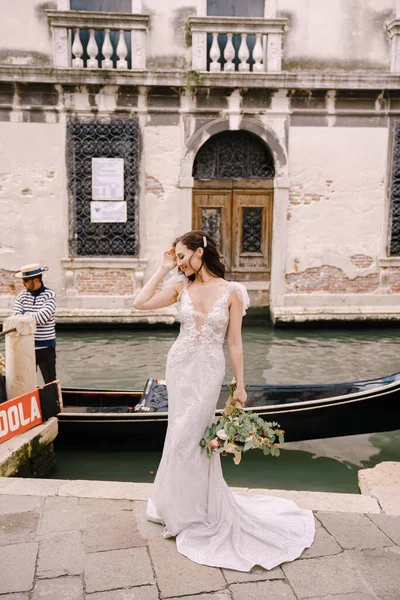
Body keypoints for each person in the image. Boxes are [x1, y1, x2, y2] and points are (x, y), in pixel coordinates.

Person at [133, 230, 315, 572]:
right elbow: (140, 303)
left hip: (208, 369)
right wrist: (162, 268)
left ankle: (195, 508)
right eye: (177, 258)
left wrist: (240, 385)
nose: (181, 262)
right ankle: (178, 506)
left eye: (184, 256)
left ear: (201, 252)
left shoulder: (233, 292)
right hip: (180, 365)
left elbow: (234, 342)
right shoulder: (179, 286)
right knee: (178, 436)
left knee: (193, 436)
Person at [13, 263, 57, 384]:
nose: (23, 283)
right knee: (26, 381)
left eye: (25, 280)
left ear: (36, 280)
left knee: (50, 381)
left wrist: (24, 315)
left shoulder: (50, 295)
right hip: (26, 346)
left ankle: (55, 402)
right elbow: (16, 318)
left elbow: (42, 318)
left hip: (46, 347)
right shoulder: (21, 296)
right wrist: (31, 316)